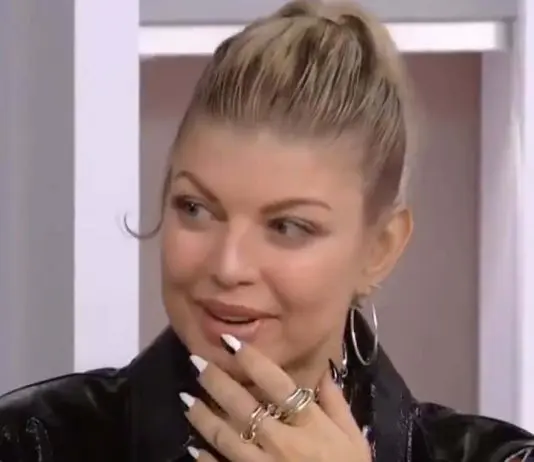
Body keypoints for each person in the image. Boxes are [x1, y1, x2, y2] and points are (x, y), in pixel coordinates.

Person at [1, 1, 533, 461]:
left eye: (287, 226)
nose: (227, 266)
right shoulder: (29, 443)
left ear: (380, 248)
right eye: (196, 208)